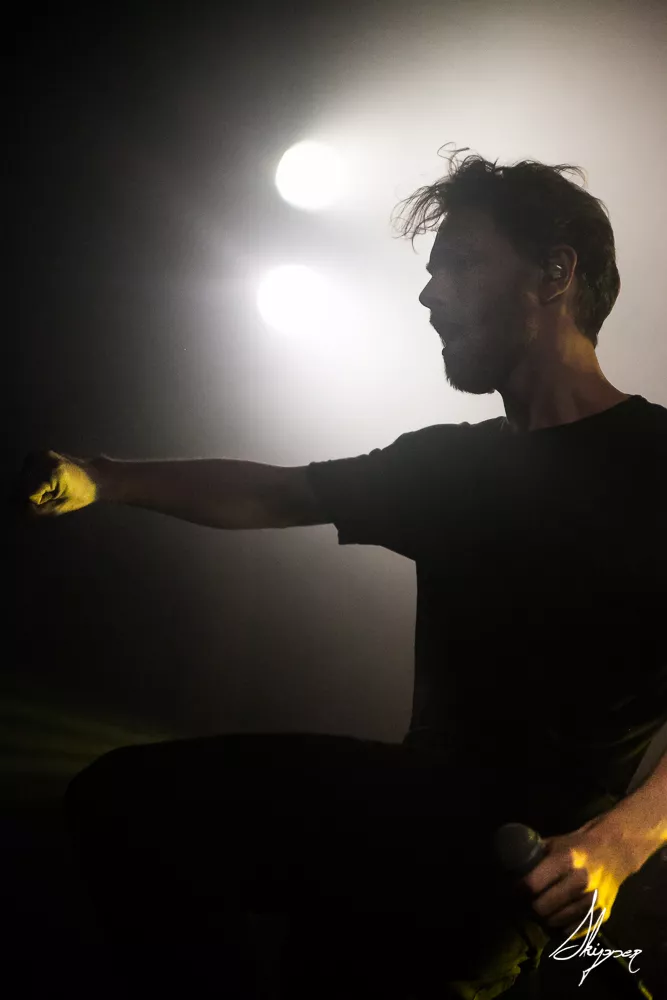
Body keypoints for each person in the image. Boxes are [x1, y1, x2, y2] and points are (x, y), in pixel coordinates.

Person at [18, 150, 667, 999]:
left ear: (554, 274)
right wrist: (103, 477)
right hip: (402, 814)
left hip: (511, 868)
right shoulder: (451, 467)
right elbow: (274, 493)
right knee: (124, 805)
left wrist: (622, 840)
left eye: (459, 264)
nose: (429, 294)